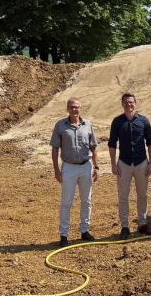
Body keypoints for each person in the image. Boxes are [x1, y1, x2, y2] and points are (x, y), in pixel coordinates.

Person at [51, 97, 100, 246]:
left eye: (77, 107)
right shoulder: (60, 126)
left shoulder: (88, 125)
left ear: (80, 109)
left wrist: (96, 166)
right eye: (72, 107)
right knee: (66, 202)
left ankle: (85, 230)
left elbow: (93, 147)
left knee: (86, 200)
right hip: (69, 168)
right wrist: (56, 170)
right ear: (67, 109)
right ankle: (63, 234)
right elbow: (55, 148)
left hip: (86, 167)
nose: (74, 109)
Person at [107, 93, 151, 239]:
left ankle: (142, 223)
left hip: (142, 163)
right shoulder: (117, 122)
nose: (129, 104)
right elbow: (112, 143)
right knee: (123, 196)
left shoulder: (144, 121)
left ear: (135, 103)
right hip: (124, 164)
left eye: (131, 102)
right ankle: (125, 226)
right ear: (122, 104)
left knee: (142, 195)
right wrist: (113, 164)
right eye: (126, 102)